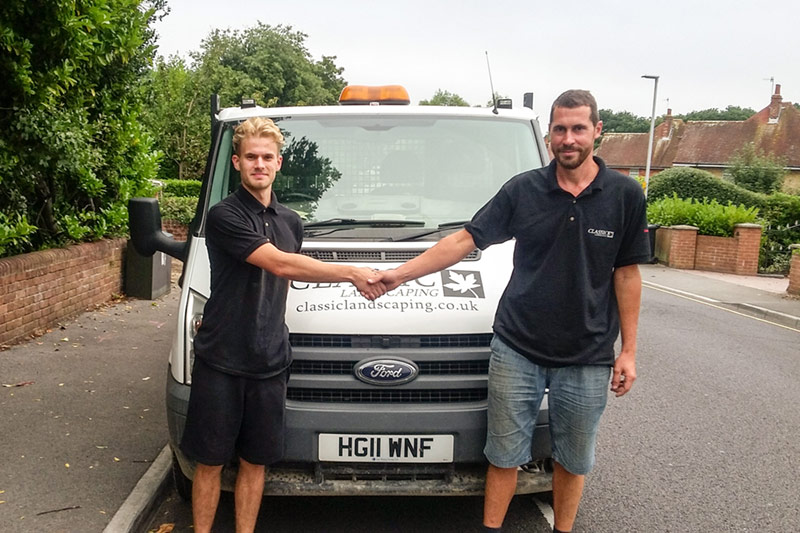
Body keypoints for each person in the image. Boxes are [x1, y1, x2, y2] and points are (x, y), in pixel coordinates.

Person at [374, 90, 650, 532]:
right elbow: (465, 240)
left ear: (598, 131)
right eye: (559, 129)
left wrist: (629, 351)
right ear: (548, 136)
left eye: (579, 128)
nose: (568, 139)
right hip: (517, 349)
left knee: (572, 461)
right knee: (504, 455)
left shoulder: (624, 195)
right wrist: (400, 275)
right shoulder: (524, 190)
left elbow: (627, 275)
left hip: (588, 355)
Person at [180, 117, 386, 533]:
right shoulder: (224, 216)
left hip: (270, 359)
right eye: (251, 157)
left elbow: (293, 274)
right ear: (237, 162)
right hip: (221, 359)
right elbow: (278, 262)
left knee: (256, 462)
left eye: (267, 157)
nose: (259, 164)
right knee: (210, 463)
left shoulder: (292, 222)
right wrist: (352, 273)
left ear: (279, 163)